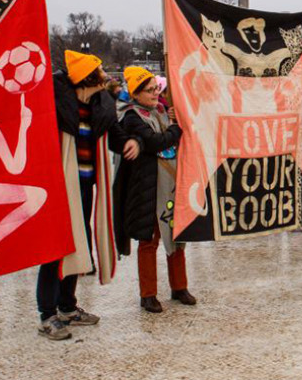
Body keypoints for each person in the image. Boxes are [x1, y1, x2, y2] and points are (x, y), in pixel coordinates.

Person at [38, 51, 133, 340]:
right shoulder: (56, 101)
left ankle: (67, 306)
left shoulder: (99, 102)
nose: (105, 80)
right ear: (86, 81)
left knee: (78, 243)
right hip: (59, 184)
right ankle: (47, 314)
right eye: (100, 76)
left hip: (87, 182)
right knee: (55, 248)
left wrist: (130, 141)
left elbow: (112, 131)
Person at [113, 67, 194, 314]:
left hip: (169, 187)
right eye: (149, 91)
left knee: (176, 236)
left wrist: (172, 119)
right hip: (147, 189)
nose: (154, 94)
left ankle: (179, 286)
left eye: (155, 89)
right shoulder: (131, 117)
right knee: (150, 240)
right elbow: (154, 142)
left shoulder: (161, 111)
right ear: (136, 94)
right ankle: (148, 294)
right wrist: (175, 128)